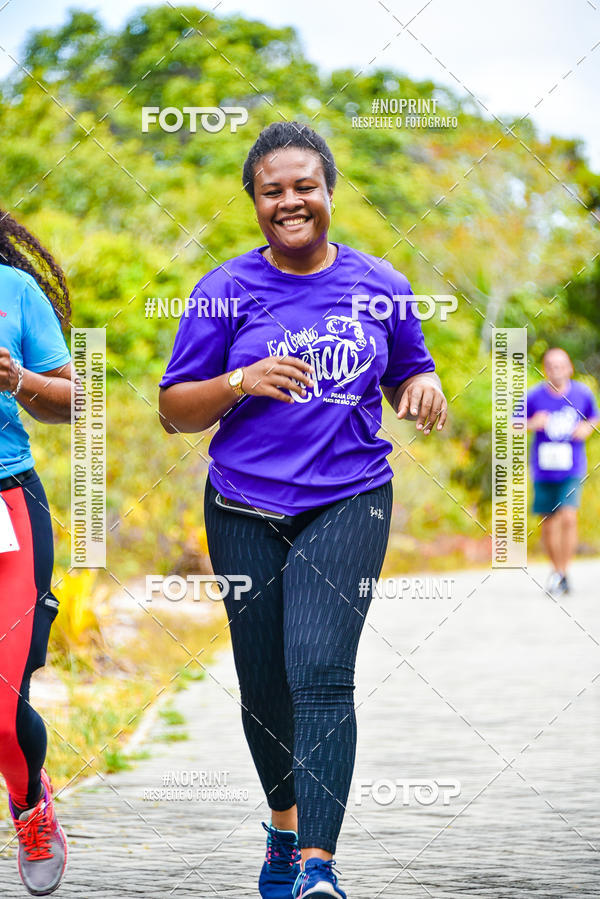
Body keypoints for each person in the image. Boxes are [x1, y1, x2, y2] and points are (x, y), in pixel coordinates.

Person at [159, 121, 447, 899]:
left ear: (329, 192)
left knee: (319, 671)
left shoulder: (381, 283)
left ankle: (319, 865)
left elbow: (410, 369)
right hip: (242, 504)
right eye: (272, 190)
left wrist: (422, 387)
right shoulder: (223, 290)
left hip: (350, 496)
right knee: (263, 687)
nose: (289, 201)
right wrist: (240, 380)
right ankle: (284, 829)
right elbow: (174, 410)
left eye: (304, 186)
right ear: (255, 201)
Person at [0, 208, 75, 895]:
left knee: (2, 704)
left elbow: (74, 401)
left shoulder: (14, 292)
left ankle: (30, 804)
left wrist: (16, 378)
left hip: (8, 504)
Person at [527, 347, 598, 597]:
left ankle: (565, 571)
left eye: (561, 366)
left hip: (572, 467)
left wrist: (586, 428)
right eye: (551, 366)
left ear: (569, 368)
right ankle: (557, 571)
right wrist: (532, 423)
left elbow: (593, 417)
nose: (556, 370)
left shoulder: (582, 393)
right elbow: (513, 423)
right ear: (545, 369)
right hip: (543, 468)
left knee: (568, 517)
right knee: (548, 522)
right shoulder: (534, 396)